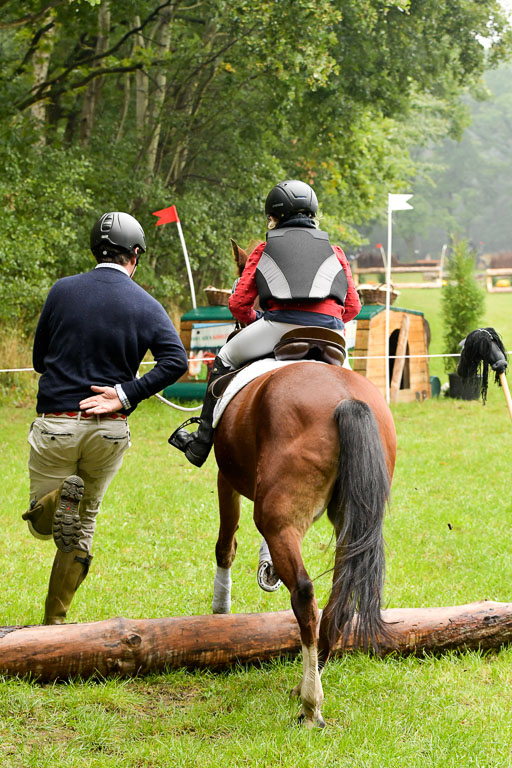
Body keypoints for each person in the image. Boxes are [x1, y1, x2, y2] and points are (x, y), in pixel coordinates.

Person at [23, 211, 189, 625]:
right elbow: (176, 361)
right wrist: (124, 393)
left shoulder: (62, 290)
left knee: (42, 526)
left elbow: (39, 360)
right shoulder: (146, 303)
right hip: (109, 434)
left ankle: (55, 500)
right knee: (82, 525)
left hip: (57, 424)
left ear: (95, 250)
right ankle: (55, 624)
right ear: (134, 254)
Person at [170, 179, 361, 467]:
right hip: (332, 334)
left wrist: (258, 319)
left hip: (280, 327)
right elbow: (354, 306)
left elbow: (238, 305)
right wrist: (331, 321)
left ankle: (201, 441)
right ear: (312, 214)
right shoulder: (335, 251)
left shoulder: (264, 249)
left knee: (225, 355)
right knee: (356, 387)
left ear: (274, 217)